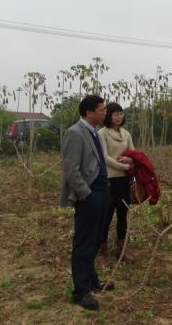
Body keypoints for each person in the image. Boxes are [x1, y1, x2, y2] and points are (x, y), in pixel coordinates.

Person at [59, 95, 114, 311]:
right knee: (83, 242)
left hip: (102, 192)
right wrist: (86, 194)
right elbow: (71, 170)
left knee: (95, 239)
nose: (104, 113)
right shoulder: (74, 133)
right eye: (101, 110)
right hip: (89, 196)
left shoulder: (93, 132)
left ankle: (92, 280)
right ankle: (80, 291)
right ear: (89, 112)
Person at [97, 102, 136, 264]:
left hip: (124, 180)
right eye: (115, 114)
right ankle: (102, 252)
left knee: (122, 214)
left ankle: (122, 248)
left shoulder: (126, 134)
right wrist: (123, 166)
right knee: (106, 216)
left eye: (121, 113)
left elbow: (134, 153)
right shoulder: (102, 133)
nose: (119, 117)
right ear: (108, 116)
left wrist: (130, 160)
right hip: (108, 179)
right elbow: (104, 157)